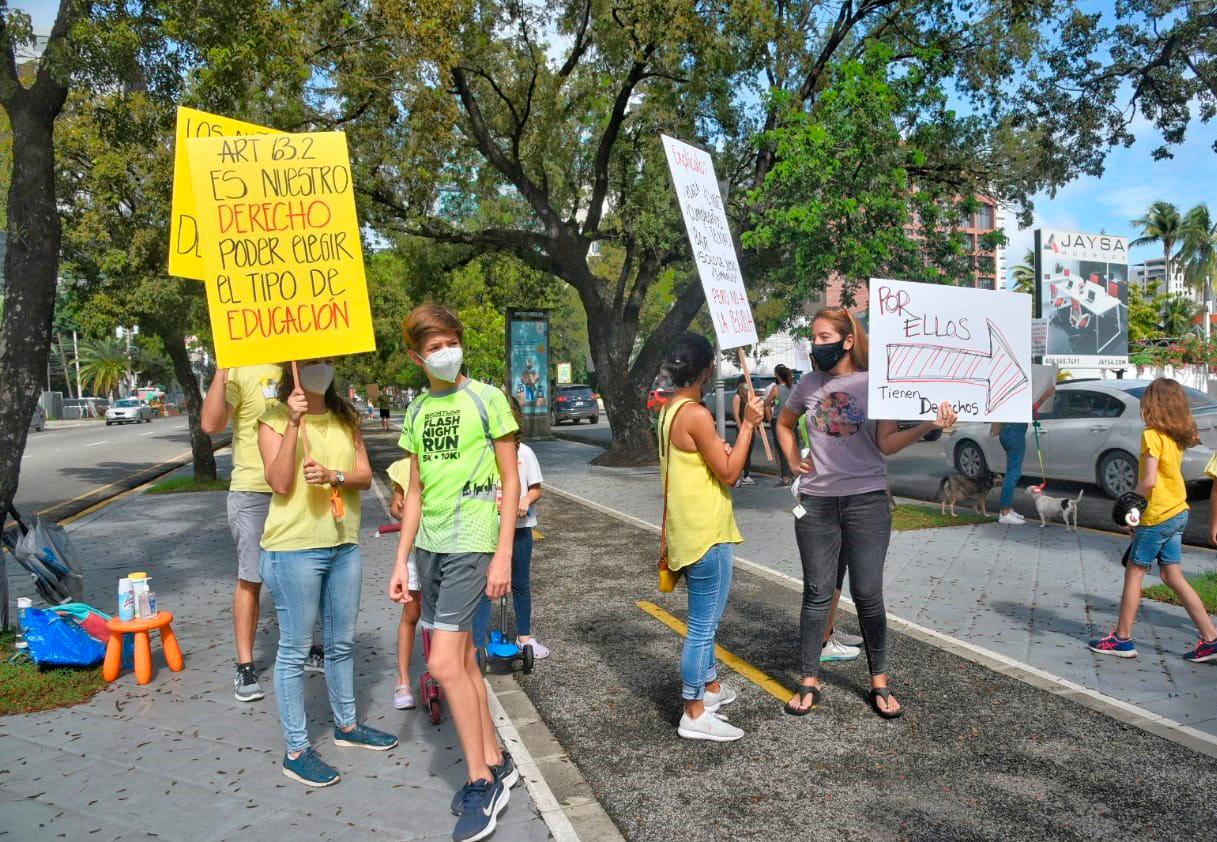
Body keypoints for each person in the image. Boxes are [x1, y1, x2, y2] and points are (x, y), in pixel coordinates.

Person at [776, 308, 956, 719]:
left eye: (824, 337)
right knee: (817, 594)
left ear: (848, 340)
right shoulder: (808, 384)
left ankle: (879, 681)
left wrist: (929, 423)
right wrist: (792, 460)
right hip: (817, 502)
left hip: (868, 502)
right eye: (814, 338)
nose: (817, 345)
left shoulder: (877, 383)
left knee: (868, 594)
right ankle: (808, 678)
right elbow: (785, 424)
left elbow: (887, 444)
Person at [389, 304, 521, 842]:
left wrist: (504, 553)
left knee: (442, 661)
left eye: (450, 342)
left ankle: (480, 780)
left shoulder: (486, 399)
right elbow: (414, 492)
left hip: (473, 542)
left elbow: (511, 481)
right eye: (433, 347)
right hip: (430, 547)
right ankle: (497, 758)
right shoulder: (418, 411)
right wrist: (401, 561)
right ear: (416, 356)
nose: (444, 353)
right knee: (462, 659)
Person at [257, 357, 397, 787]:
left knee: (340, 641)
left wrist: (334, 474)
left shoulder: (345, 416)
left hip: (343, 543)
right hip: (293, 548)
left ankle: (347, 725)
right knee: (295, 649)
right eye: (312, 361)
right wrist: (295, 423)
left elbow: (363, 475)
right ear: (292, 368)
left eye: (326, 359)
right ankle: (297, 750)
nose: (321, 367)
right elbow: (279, 483)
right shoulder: (274, 418)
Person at [658, 333, 765, 742]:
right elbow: (730, 473)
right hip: (707, 534)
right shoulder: (697, 415)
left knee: (705, 622)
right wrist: (750, 427)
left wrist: (719, 446)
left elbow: (701, 462)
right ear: (707, 371)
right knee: (702, 627)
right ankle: (693, 711)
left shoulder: (671, 410)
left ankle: (711, 690)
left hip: (685, 532)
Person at [1089, 378, 1217, 662]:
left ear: (1153, 404)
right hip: (1178, 512)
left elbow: (1148, 481)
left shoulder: (1152, 435)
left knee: (1134, 574)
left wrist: (1128, 506)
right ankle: (1210, 638)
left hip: (1157, 515)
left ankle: (1122, 639)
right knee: (1172, 575)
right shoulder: (1176, 436)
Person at [201, 363, 306, 702]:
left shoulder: (301, 361)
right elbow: (211, 424)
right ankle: (245, 664)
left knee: (307, 572)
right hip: (253, 490)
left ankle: (311, 646)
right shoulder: (242, 368)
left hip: (300, 487)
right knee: (251, 577)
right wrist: (221, 371)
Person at [472, 398, 550, 659]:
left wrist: (525, 500)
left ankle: (525, 636)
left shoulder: (524, 453)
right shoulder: (482, 454)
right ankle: (478, 641)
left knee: (520, 583)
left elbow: (536, 489)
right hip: (487, 529)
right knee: (485, 586)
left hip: (519, 529)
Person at [387, 458, 423, 710]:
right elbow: (395, 507)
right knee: (411, 612)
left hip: (446, 549)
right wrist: (400, 508)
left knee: (444, 618)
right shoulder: (403, 466)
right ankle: (403, 680)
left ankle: (448, 675)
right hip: (415, 551)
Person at [766, 364, 796, 484]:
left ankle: (785, 476)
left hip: (778, 421)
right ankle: (795, 473)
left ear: (776, 374)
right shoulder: (794, 387)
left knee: (781, 448)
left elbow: (766, 402)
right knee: (793, 446)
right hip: (793, 420)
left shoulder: (776, 389)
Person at [730, 380, 755, 487]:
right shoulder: (737, 397)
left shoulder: (748, 395)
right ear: (740, 384)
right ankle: (737, 476)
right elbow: (736, 415)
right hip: (742, 428)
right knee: (741, 452)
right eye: (744, 383)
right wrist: (741, 429)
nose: (747, 385)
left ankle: (746, 475)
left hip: (750, 427)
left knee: (748, 452)